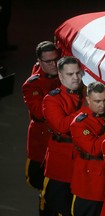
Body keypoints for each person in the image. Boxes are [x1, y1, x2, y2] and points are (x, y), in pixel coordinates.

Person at [42, 56, 85, 216]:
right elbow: (61, 126)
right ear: (60, 76)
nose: (75, 77)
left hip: (82, 162)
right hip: (61, 163)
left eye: (78, 73)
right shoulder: (52, 99)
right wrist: (87, 109)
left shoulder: (85, 95)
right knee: (57, 205)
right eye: (70, 74)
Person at [22, 41, 60, 216]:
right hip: (43, 142)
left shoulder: (64, 72)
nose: (53, 64)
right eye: (48, 62)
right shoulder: (32, 84)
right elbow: (39, 113)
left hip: (61, 143)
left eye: (55, 60)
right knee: (45, 190)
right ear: (39, 62)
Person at [70, 81, 105, 216]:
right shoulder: (79, 123)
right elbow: (93, 149)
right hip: (89, 184)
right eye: (97, 101)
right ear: (88, 100)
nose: (102, 105)